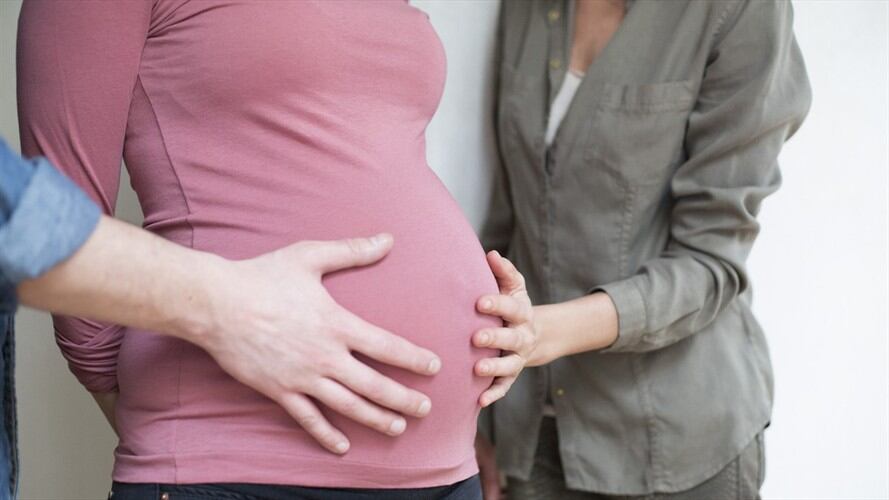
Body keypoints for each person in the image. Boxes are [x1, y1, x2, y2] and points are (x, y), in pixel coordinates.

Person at [16, 1, 536, 499]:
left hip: (446, 470)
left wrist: (483, 330)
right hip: (236, 462)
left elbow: (368, 162)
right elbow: (47, 233)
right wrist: (178, 432)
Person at [475, 0, 812, 499]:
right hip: (530, 440)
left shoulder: (739, 10)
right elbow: (509, 217)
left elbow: (711, 261)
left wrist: (541, 333)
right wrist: (475, 419)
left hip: (675, 443)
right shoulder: (525, 8)